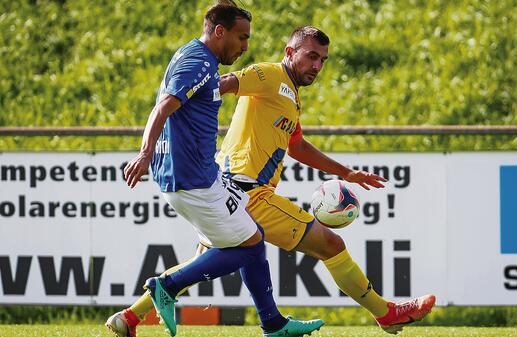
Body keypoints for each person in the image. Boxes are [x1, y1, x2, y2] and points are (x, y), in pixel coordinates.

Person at [107, 25, 435, 336]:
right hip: (249, 192)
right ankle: (386, 313)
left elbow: (297, 145)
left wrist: (346, 173)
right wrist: (176, 110)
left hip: (227, 189)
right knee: (331, 245)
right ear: (289, 51)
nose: (317, 65)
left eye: (322, 60)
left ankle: (130, 316)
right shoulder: (268, 75)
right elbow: (218, 83)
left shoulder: (291, 95)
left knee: (210, 259)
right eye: (311, 56)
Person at [106, 3, 324, 337]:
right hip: (193, 180)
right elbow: (164, 106)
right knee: (250, 244)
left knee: (245, 242)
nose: (246, 46)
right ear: (219, 32)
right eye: (242, 37)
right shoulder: (198, 63)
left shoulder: (195, 56)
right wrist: (145, 152)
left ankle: (271, 322)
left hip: (201, 175)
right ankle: (169, 286)